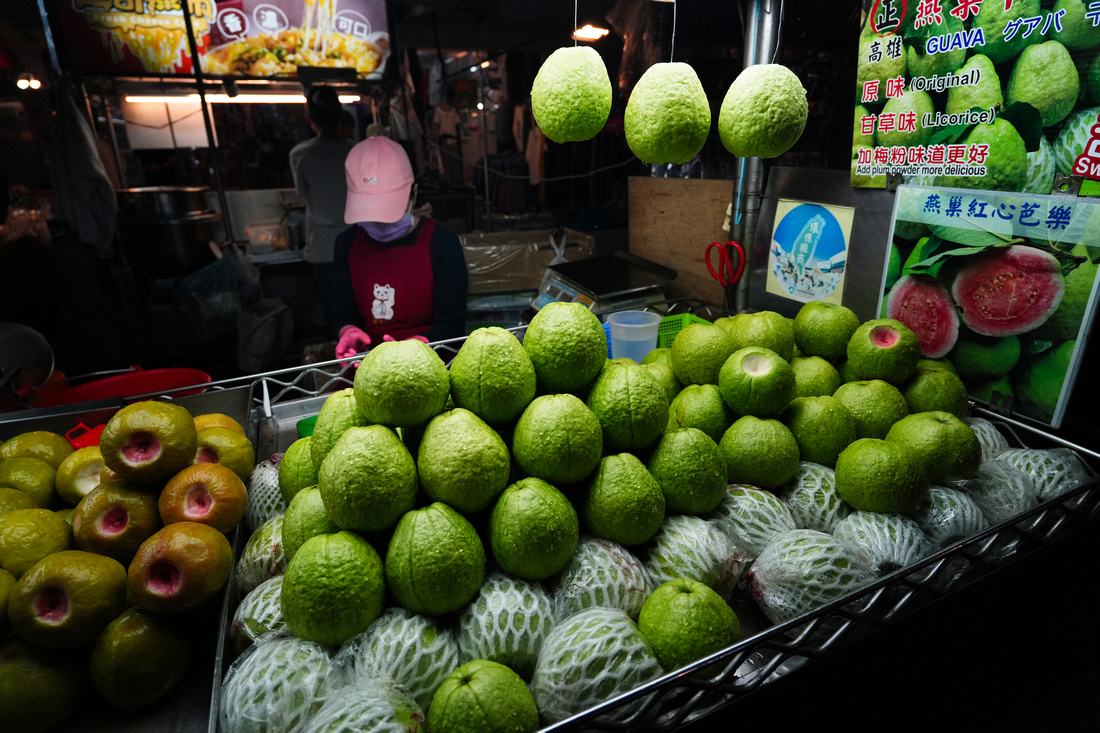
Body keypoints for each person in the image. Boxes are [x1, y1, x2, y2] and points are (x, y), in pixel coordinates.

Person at [333, 136, 467, 358]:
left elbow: (451, 325)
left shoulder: (443, 244)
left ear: (413, 193)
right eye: (370, 213)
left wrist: (418, 346)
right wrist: (347, 331)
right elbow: (342, 313)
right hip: (366, 364)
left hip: (431, 362)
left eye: (387, 212)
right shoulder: (346, 246)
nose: (379, 222)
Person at [289, 85, 355, 335]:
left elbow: (300, 195)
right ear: (340, 117)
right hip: (357, 243)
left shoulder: (300, 154)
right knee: (364, 311)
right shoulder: (355, 150)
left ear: (309, 119)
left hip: (324, 247)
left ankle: (344, 364)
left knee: (337, 315)